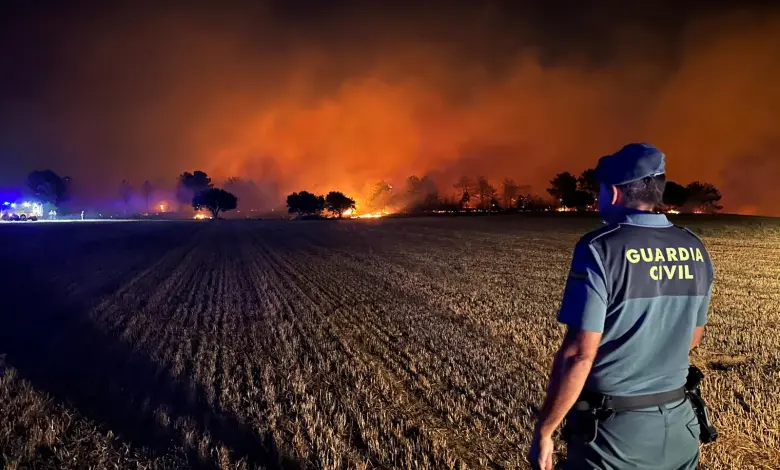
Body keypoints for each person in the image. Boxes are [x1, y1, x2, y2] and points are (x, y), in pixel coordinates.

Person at [528, 143, 714, 470]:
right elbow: (693, 338)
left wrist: (546, 430)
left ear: (613, 193)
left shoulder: (600, 249)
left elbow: (579, 354)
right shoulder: (694, 247)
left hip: (616, 439)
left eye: (599, 191)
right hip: (681, 426)